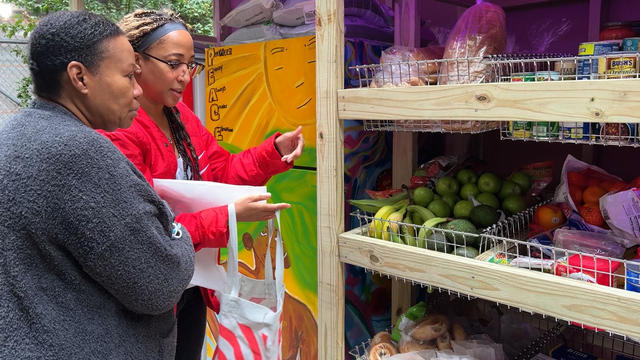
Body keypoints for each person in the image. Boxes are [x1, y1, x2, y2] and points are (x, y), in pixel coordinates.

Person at [100, 9, 305, 360]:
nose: (184, 76)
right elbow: (149, 232)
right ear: (135, 61)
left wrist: (273, 151)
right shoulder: (119, 131)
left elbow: (222, 172)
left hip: (192, 282)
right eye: (173, 63)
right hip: (151, 291)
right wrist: (229, 217)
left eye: (190, 65)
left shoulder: (181, 118)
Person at [0, 11, 195, 359]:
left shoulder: (12, 135)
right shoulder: (80, 153)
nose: (137, 91)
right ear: (79, 77)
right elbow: (159, 283)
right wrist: (178, 232)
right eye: (126, 76)